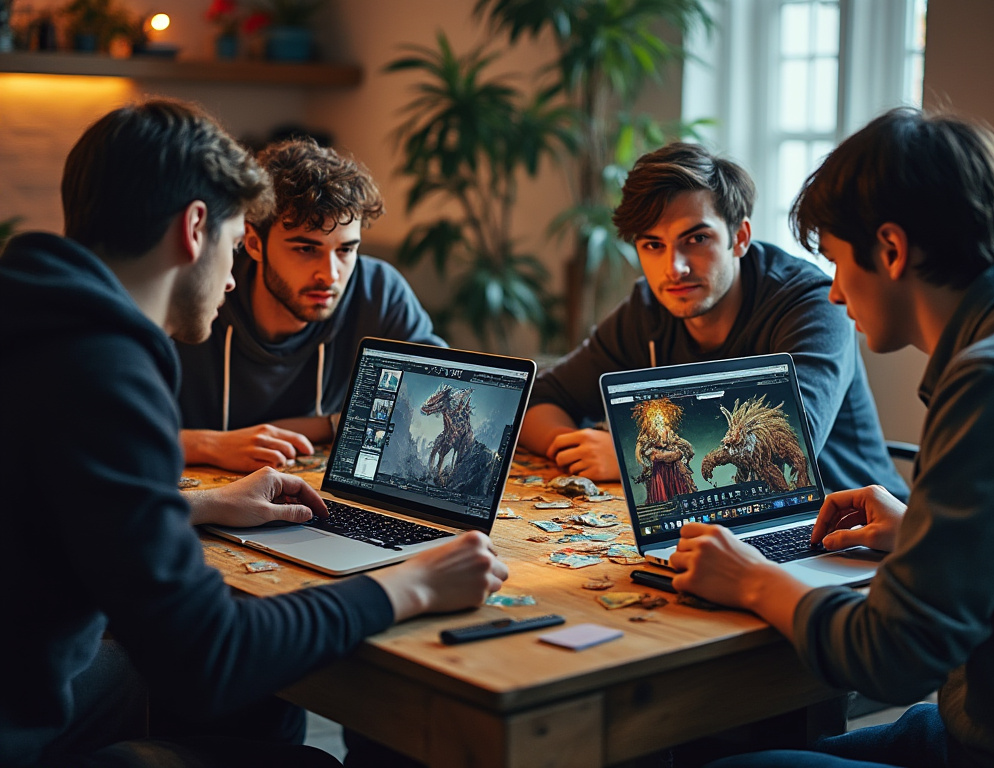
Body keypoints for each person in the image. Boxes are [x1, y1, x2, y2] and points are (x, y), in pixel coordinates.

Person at [0, 99, 507, 768]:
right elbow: (211, 659)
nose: (234, 275)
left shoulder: (31, 314)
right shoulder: (106, 371)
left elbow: (46, 507)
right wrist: (409, 585)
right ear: (195, 227)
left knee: (141, 677)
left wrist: (201, 504)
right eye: (238, 245)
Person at [674, 107, 994, 767]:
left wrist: (753, 580)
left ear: (891, 251)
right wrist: (919, 527)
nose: (834, 294)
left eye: (836, 262)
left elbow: (892, 657)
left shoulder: (993, 379)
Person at [519, 142, 908, 501]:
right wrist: (575, 448)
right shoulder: (648, 309)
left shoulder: (813, 305)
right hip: (709, 519)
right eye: (653, 245)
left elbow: (786, 444)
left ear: (740, 237)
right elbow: (537, 401)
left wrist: (632, 460)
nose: (674, 268)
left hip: (854, 539)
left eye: (697, 239)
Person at [176, 137, 444, 473]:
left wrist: (326, 424)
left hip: (313, 500)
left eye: (346, 250)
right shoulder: (200, 295)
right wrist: (211, 445)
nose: (329, 275)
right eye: (306, 249)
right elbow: (104, 432)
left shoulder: (379, 291)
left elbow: (432, 397)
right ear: (254, 244)